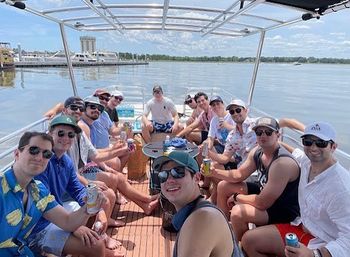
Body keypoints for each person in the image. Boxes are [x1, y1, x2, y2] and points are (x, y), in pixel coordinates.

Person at [241, 121, 350, 257]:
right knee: (248, 241)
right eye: (308, 141)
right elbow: (294, 151)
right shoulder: (306, 162)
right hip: (300, 226)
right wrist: (272, 143)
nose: (313, 147)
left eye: (321, 143)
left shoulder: (341, 188)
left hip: (324, 244)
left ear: (333, 147)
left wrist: (313, 254)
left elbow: (348, 240)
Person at [29, 115, 125, 257]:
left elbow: (78, 190)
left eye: (70, 134)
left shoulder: (66, 161)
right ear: (50, 135)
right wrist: (75, 227)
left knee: (99, 205)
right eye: (60, 133)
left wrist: (98, 210)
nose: (66, 138)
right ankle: (101, 252)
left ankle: (88, 247)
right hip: (38, 227)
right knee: (95, 245)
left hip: (57, 212)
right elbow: (45, 205)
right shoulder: (42, 163)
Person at [0, 131, 105, 257]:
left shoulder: (38, 190)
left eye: (47, 154)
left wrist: (87, 209)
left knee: (96, 246)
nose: (39, 157)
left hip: (22, 251)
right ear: (17, 153)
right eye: (33, 150)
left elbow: (67, 221)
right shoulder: (2, 190)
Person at [63, 96, 159, 215]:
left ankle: (146, 204)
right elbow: (71, 171)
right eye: (74, 108)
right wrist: (88, 182)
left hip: (82, 171)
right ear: (65, 110)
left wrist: (117, 150)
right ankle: (145, 201)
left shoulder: (79, 131)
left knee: (118, 175)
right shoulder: (68, 135)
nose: (77, 111)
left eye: (80, 108)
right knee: (115, 178)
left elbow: (95, 154)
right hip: (74, 180)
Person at [212, 117, 300, 241]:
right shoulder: (258, 152)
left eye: (268, 132)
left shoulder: (282, 164)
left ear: (278, 135)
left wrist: (237, 197)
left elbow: (262, 203)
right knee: (223, 186)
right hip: (264, 193)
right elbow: (238, 174)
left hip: (282, 209)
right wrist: (214, 172)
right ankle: (223, 228)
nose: (263, 135)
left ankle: (241, 246)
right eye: (259, 132)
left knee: (238, 212)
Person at [152, 151, 235, 257]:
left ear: (196, 178)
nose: (169, 180)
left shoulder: (202, 219)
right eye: (163, 175)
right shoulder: (195, 211)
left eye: (178, 172)